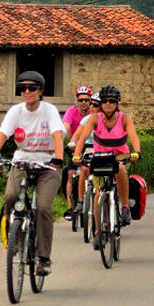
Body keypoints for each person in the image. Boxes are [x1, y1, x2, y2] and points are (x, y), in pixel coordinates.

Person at [0, 70, 65, 276]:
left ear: (40, 91)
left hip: (48, 163)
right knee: (11, 196)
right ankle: (16, 239)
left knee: (44, 207)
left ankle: (44, 258)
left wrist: (58, 157)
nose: (27, 92)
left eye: (32, 88)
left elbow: (57, 135)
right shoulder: (15, 111)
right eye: (23, 88)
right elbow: (3, 134)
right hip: (22, 159)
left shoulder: (49, 111)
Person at [72, 85, 140, 241]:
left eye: (112, 101)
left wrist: (136, 152)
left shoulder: (124, 118)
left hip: (119, 156)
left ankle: (124, 207)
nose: (108, 104)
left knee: (121, 170)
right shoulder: (94, 118)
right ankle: (97, 230)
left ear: (117, 103)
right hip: (100, 156)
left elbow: (134, 136)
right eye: (104, 101)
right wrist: (77, 155)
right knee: (98, 192)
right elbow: (82, 138)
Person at [62, 86, 93, 220]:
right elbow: (65, 127)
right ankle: (69, 207)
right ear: (77, 101)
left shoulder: (93, 112)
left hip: (90, 146)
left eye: (86, 100)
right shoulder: (71, 111)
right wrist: (61, 140)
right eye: (81, 100)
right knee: (70, 175)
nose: (83, 102)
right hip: (75, 147)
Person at [69, 92, 99, 218]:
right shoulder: (86, 119)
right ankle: (81, 201)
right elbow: (78, 134)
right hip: (89, 148)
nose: (91, 106)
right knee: (83, 170)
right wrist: (72, 142)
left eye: (95, 104)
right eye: (90, 104)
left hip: (102, 148)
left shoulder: (107, 119)